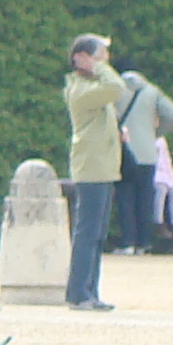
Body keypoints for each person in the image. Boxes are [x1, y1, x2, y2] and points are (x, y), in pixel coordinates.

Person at [62, 35, 124, 309]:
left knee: (97, 235)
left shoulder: (92, 87)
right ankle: (78, 293)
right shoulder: (80, 90)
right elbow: (116, 87)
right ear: (82, 58)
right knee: (87, 233)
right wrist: (98, 67)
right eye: (100, 56)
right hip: (91, 169)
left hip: (103, 168)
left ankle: (90, 291)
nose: (105, 62)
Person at [112, 65, 173, 251]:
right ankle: (144, 243)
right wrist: (155, 133)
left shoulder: (114, 90)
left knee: (125, 198)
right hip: (148, 153)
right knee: (145, 199)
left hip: (123, 151)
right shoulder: (151, 91)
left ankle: (128, 243)